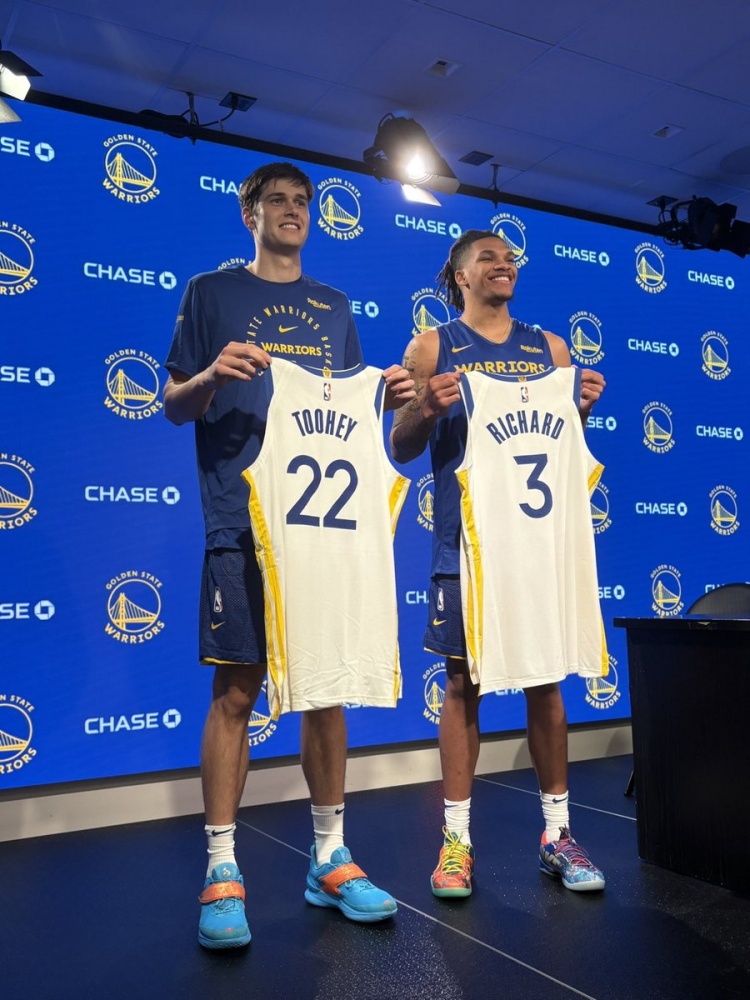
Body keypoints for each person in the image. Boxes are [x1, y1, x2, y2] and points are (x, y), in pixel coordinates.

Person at [163, 161, 415, 948]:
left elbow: (349, 409)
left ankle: (330, 858)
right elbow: (173, 405)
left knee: (325, 689)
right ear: (250, 215)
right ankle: (222, 869)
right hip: (240, 517)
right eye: (277, 200)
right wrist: (212, 374)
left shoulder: (334, 306)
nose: (293, 210)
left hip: (322, 530)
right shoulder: (211, 292)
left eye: (303, 201)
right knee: (236, 692)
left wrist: (391, 398)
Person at [390, 229, 607, 899]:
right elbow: (400, 445)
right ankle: (456, 841)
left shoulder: (551, 349)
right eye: (488, 257)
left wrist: (580, 410)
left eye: (510, 257)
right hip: (466, 545)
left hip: (536, 544)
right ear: (460, 275)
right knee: (462, 685)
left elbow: (563, 445)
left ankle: (557, 834)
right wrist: (427, 407)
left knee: (546, 682)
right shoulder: (432, 346)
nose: (503, 264)